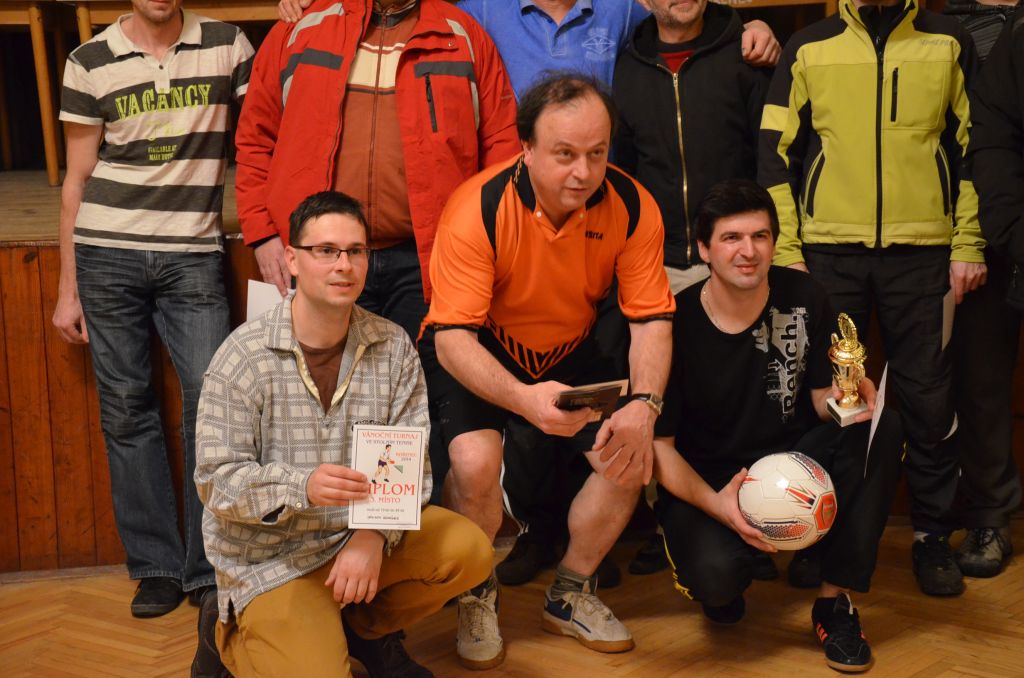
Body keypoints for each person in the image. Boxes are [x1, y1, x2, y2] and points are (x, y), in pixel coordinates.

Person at [419, 73, 675, 669]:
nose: (583, 173)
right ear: (527, 149)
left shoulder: (634, 205)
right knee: (474, 463)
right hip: (483, 349)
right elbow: (451, 339)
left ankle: (570, 594)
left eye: (597, 153)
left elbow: (651, 322)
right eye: (564, 154)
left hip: (572, 347)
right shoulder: (477, 207)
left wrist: (645, 405)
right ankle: (476, 591)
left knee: (628, 454)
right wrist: (523, 399)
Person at [195, 191, 492, 678]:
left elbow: (410, 466)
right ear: (292, 259)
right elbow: (216, 480)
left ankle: (361, 630)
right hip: (273, 561)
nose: (344, 265)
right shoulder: (242, 357)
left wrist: (371, 535)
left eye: (356, 251)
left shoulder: (392, 345)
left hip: (356, 540)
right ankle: (225, 628)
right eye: (326, 251)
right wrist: (301, 486)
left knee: (470, 550)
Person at [759, 0, 987, 597]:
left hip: (925, 255)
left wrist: (968, 241)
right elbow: (772, 152)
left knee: (928, 399)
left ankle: (931, 535)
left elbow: (976, 149)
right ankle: (823, 536)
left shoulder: (949, 41)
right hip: (829, 256)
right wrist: (787, 248)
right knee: (836, 402)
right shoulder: (809, 46)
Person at [54, 0, 253, 620]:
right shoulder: (89, 59)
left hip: (191, 252)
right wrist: (67, 286)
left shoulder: (227, 45)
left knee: (211, 404)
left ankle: (206, 566)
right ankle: (156, 568)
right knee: (126, 409)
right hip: (104, 250)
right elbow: (77, 178)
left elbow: (271, 130)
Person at [653, 179, 902, 672]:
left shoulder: (804, 295)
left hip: (792, 463)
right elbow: (660, 447)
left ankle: (834, 603)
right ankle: (737, 566)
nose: (748, 251)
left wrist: (847, 396)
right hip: (713, 481)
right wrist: (721, 509)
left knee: (881, 427)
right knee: (717, 583)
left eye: (760, 236)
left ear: (773, 242)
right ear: (704, 248)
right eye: (731, 238)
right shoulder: (674, 324)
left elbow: (816, 399)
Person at [235, 0, 518, 344]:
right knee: (324, 375)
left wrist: (489, 243)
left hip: (429, 261)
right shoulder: (301, 29)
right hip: (321, 256)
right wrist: (262, 234)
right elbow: (255, 138)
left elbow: (502, 151)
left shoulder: (462, 36)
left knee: (423, 375)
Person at [612, 0, 772, 576]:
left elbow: (767, 153)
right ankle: (671, 523)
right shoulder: (627, 63)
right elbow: (623, 171)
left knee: (742, 392)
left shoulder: (745, 51)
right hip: (657, 262)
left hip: (734, 255)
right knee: (666, 397)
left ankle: (758, 512)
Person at [276, 0, 782, 97]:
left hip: (604, 189)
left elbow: (684, 16)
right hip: (513, 193)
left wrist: (748, 25)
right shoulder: (479, 9)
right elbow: (396, 11)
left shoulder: (622, 6)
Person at [961, 13, 1024, 577]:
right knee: (982, 388)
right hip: (996, 242)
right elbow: (991, 143)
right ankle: (990, 516)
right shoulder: (947, 23)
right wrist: (1009, 232)